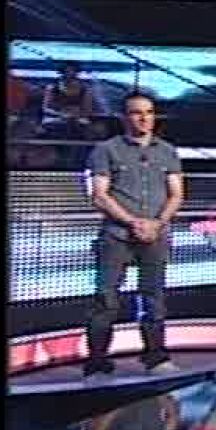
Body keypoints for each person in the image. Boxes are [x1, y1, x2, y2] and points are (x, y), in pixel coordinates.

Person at [85, 91, 184, 375]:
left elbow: (177, 194)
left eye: (149, 112)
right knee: (106, 299)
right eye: (136, 113)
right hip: (116, 236)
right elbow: (99, 195)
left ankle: (156, 357)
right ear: (124, 117)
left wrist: (158, 223)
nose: (144, 118)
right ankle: (97, 363)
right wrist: (133, 222)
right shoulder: (106, 150)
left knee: (154, 297)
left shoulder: (167, 151)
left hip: (156, 235)